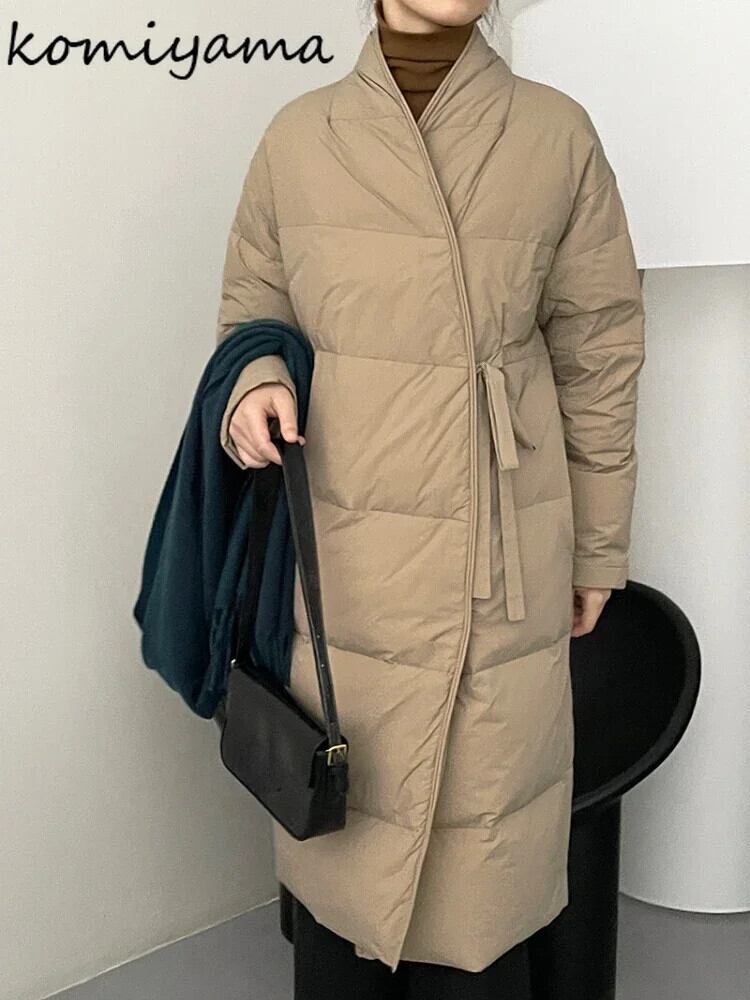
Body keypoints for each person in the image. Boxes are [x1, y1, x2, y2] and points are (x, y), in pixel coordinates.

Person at [214, 0, 646, 997]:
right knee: (349, 855)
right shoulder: (299, 139)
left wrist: (598, 548)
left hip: (500, 553)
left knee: (481, 882)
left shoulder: (555, 133)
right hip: (350, 554)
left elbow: (600, 357)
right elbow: (253, 309)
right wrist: (254, 385)